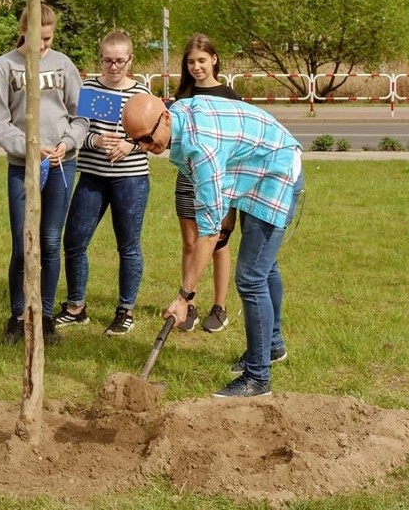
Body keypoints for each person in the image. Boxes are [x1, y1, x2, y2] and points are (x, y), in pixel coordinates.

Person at [121, 92, 303, 398]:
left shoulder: (200, 148)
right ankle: (271, 347)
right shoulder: (179, 118)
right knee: (264, 266)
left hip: (276, 172)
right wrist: (228, 216)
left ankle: (258, 379)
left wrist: (184, 296)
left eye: (149, 140)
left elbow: (208, 234)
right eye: (137, 141)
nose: (146, 148)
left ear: (165, 117)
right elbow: (230, 159)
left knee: (251, 277)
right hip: (256, 166)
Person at [0, 2, 88, 345]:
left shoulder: (63, 65)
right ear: (23, 31)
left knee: (48, 241)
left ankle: (44, 315)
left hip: (60, 164)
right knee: (22, 242)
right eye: (36, 38)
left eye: (47, 38)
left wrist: (69, 142)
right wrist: (27, 148)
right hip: (22, 167)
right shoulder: (4, 67)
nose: (42, 45)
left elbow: (80, 114)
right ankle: (18, 314)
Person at [54, 31, 152, 336]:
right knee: (74, 241)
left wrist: (130, 146)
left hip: (131, 178)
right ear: (101, 59)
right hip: (93, 175)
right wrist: (94, 139)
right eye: (108, 60)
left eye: (120, 61)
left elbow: (156, 138)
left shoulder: (142, 93)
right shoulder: (91, 89)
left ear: (130, 60)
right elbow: (80, 130)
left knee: (129, 245)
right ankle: (76, 307)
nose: (113, 67)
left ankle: (125, 311)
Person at [172, 34, 241, 334]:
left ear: (214, 59)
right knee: (190, 242)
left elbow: (238, 145)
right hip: (188, 180)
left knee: (218, 242)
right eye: (191, 62)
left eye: (201, 60)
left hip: (221, 182)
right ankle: (189, 303)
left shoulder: (231, 97)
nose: (196, 67)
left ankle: (220, 306)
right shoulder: (183, 98)